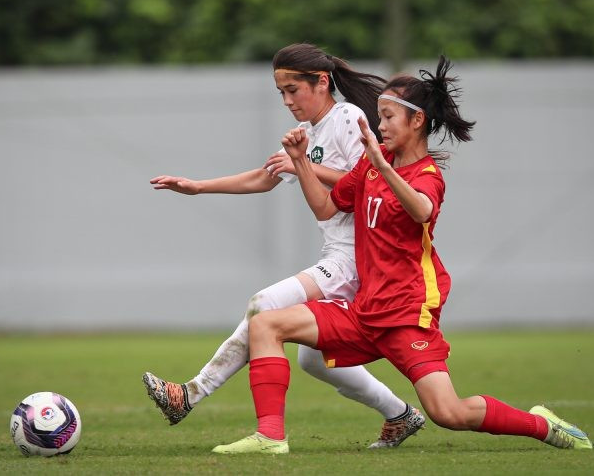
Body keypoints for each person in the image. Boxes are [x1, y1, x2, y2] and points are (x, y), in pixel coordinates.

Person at [212, 56, 593, 454]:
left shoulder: (426, 175)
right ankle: (271, 437)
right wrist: (301, 162)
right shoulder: (373, 165)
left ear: (417, 121)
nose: (381, 126)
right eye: (379, 117)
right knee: (266, 325)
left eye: (389, 117)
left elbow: (422, 211)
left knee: (450, 413)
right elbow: (326, 208)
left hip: (407, 313)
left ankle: (542, 426)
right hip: (365, 310)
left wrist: (380, 165)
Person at [143, 43, 424, 449]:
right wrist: (197, 187)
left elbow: (368, 179)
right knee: (313, 360)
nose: (288, 100)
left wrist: (303, 165)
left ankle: (191, 394)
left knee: (263, 304)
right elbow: (265, 176)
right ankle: (401, 415)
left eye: (294, 89)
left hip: (358, 258)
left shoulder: (348, 117)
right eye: (281, 92)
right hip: (338, 256)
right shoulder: (307, 135)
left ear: (322, 82)